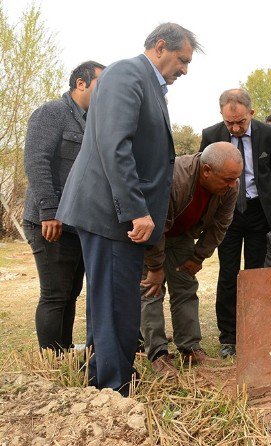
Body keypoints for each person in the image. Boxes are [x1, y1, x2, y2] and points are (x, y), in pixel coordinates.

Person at [56, 23, 201, 396]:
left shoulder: (148, 84)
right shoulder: (126, 73)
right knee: (117, 306)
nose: (185, 69)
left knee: (109, 302)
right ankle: (116, 388)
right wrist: (136, 210)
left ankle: (101, 376)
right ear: (159, 46)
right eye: (182, 59)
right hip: (111, 214)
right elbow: (114, 144)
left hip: (115, 215)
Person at [23, 60, 105, 354]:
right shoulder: (52, 113)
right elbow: (36, 162)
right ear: (80, 84)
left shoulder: (93, 119)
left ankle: (65, 352)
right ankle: (51, 360)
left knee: (71, 293)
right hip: (50, 220)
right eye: (100, 84)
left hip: (77, 222)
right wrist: (49, 212)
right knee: (55, 294)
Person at [140, 143, 242, 377]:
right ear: (206, 171)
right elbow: (155, 224)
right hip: (153, 235)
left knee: (186, 287)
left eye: (236, 179)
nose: (232, 185)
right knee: (151, 290)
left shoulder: (229, 185)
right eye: (227, 179)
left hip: (181, 235)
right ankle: (158, 354)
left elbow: (221, 224)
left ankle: (190, 348)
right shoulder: (174, 179)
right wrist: (155, 267)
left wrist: (198, 256)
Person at [199, 89, 271, 359]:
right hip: (227, 213)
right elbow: (206, 174)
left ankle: (256, 331)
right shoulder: (211, 135)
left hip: (260, 212)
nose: (235, 128)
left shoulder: (269, 135)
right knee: (229, 273)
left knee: (257, 274)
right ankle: (229, 337)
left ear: (252, 113)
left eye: (240, 122)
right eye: (229, 123)